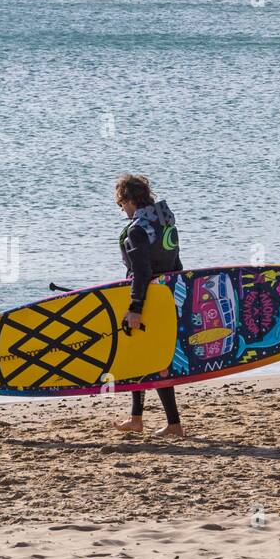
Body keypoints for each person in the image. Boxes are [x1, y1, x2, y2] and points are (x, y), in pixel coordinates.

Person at [110, 174, 185, 437]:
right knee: (140, 358)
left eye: (122, 204)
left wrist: (135, 308)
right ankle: (136, 418)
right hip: (166, 296)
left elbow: (141, 272)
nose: (122, 210)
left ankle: (174, 425)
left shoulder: (138, 230)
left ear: (128, 199)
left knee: (154, 360)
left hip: (146, 301)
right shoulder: (165, 224)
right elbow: (177, 265)